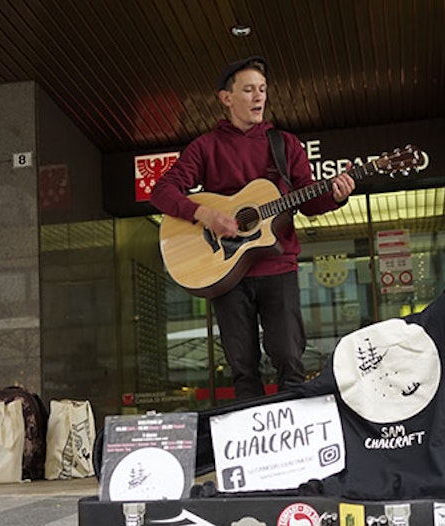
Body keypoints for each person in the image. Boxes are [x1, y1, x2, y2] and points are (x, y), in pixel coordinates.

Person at [151, 56, 355, 400]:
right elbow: (162, 192)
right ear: (226, 98)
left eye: (262, 89)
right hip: (227, 270)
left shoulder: (285, 144)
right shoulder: (206, 147)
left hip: (279, 267)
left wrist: (335, 196)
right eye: (248, 90)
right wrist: (204, 214)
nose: (258, 97)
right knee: (243, 366)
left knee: (290, 360)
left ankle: (295, 444)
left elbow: (307, 202)